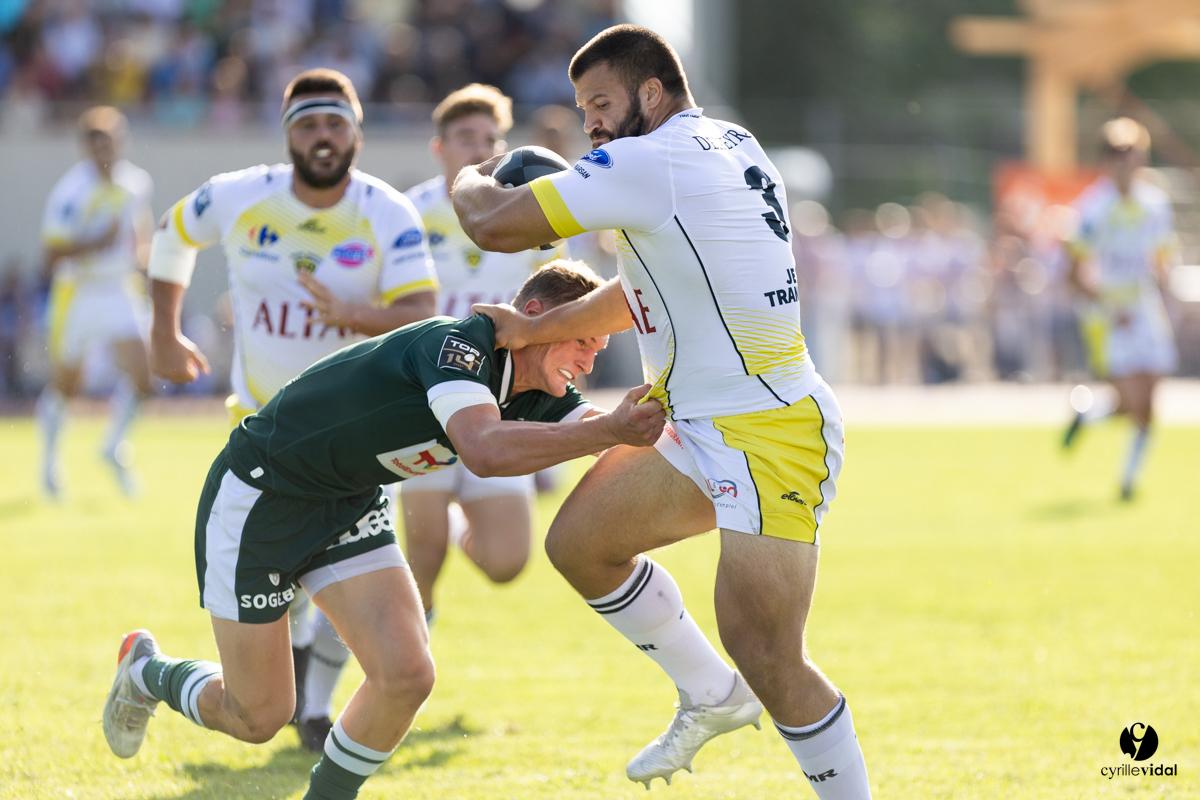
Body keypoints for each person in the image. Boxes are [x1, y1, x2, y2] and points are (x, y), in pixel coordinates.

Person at [453, 24, 872, 799]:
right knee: (580, 544)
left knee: (769, 652)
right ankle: (712, 694)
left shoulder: (647, 161)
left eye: (602, 104)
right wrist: (540, 329)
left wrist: (470, 176)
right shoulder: (730, 141)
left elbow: (491, 223)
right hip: (696, 420)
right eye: (584, 111)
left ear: (653, 93)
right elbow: (649, 288)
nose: (593, 126)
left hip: (769, 430)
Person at [102, 260, 667, 800]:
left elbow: (608, 432)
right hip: (264, 496)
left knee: (407, 675)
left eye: (599, 350)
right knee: (258, 716)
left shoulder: (539, 388)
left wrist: (669, 429)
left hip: (347, 502)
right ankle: (147, 672)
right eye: (584, 341)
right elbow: (485, 449)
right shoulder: (460, 344)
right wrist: (613, 431)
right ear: (541, 315)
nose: (591, 365)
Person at [146, 68, 439, 751]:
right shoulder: (242, 197)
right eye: (307, 124)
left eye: (336, 123)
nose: (323, 136)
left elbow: (423, 313)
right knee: (267, 682)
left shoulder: (386, 211)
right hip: (263, 440)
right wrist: (164, 332)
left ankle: (317, 708)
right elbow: (168, 232)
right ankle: (184, 677)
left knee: (389, 644)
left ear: (357, 132)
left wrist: (353, 313)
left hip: (355, 444)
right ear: (288, 136)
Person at [400, 83, 567, 628]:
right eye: (464, 137)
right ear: (439, 148)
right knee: (422, 561)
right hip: (423, 403)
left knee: (506, 563)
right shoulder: (407, 215)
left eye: (489, 137)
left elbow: (553, 302)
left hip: (497, 402)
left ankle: (448, 521)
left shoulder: (525, 215)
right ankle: (406, 676)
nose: (477, 148)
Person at [36, 106, 155, 498]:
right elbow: (49, 256)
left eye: (113, 141)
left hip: (119, 288)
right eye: (98, 143)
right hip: (80, 292)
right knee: (67, 385)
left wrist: (148, 263)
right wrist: (93, 244)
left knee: (143, 375)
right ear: (86, 148)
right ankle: (50, 462)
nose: (107, 150)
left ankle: (113, 446)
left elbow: (138, 233)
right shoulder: (71, 193)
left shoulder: (135, 183)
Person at [1062, 118, 1178, 500]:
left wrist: (1166, 292)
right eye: (1116, 153)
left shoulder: (1155, 204)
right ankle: (1120, 467)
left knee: (1146, 404)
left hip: (1144, 308)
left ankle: (1122, 469)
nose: (1125, 161)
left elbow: (1162, 259)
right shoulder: (1093, 209)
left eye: (1131, 153)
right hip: (1111, 316)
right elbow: (1075, 274)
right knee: (1131, 402)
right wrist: (1112, 309)